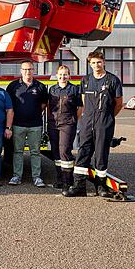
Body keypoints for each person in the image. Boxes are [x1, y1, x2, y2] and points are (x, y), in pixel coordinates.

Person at [65, 51, 123, 198]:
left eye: (99, 62)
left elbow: (119, 104)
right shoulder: (85, 80)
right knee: (83, 152)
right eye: (93, 63)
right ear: (89, 64)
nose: (96, 65)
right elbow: (84, 102)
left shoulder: (113, 80)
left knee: (101, 154)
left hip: (104, 122)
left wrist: (108, 118)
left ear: (104, 62)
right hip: (88, 122)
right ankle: (79, 187)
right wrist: (89, 117)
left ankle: (101, 187)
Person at [6, 61, 48, 187]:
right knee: (17, 151)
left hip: (35, 125)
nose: (27, 72)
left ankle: (37, 177)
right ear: (21, 71)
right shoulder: (13, 86)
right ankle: (16, 176)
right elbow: (9, 106)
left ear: (33, 70)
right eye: (24, 69)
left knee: (35, 152)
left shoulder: (40, 86)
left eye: (29, 69)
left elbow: (43, 104)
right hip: (18, 124)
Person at [47, 65, 83, 193]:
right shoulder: (52, 89)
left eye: (65, 74)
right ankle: (59, 179)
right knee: (55, 152)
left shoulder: (74, 89)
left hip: (67, 124)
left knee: (64, 151)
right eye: (60, 74)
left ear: (69, 76)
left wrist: (73, 120)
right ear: (57, 76)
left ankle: (68, 181)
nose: (63, 77)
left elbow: (80, 107)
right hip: (53, 124)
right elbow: (48, 107)